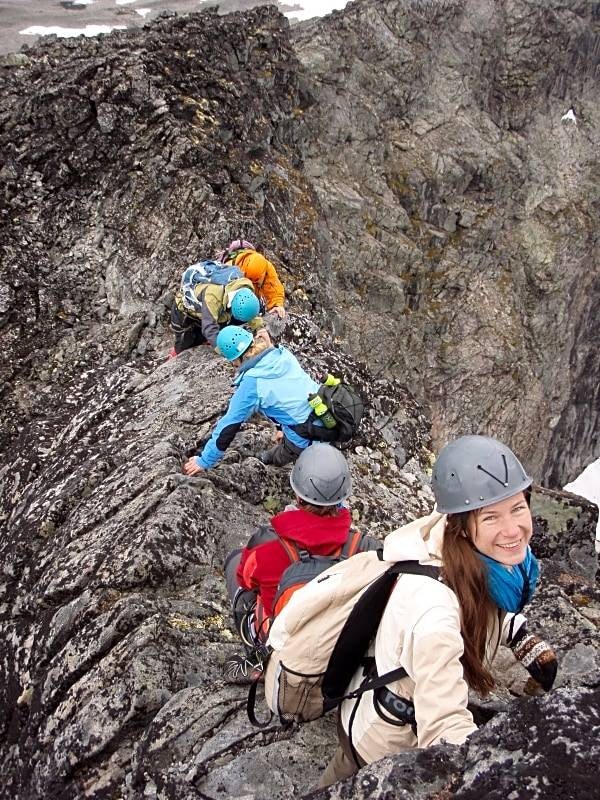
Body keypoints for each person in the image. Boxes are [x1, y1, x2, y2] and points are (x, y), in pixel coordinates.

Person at [319, 434, 558, 787]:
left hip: (380, 703)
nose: (513, 530)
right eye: (491, 517)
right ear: (462, 527)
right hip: (381, 742)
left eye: (518, 508)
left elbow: (479, 601)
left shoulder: (462, 551)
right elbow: (444, 728)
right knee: (341, 781)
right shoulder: (433, 613)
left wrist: (517, 632)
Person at [223, 445, 377, 666]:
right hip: (338, 649)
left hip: (284, 650)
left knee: (235, 563)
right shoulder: (365, 548)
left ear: (298, 494)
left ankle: (256, 653)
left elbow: (245, 579)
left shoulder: (266, 543)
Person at [182, 326, 321, 473]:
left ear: (234, 358)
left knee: (282, 455)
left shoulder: (252, 383)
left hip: (306, 433)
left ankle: (269, 458)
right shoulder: (281, 353)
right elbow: (288, 393)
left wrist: (204, 461)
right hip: (325, 411)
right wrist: (282, 428)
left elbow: (229, 425)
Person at [170, 277, 262, 355]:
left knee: (202, 338)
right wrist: (224, 352)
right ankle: (174, 354)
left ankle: (205, 339)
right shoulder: (213, 298)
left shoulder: (243, 288)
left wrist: (260, 328)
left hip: (209, 311)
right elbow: (209, 327)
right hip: (184, 313)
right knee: (185, 344)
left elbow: (249, 308)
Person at [218, 239, 286, 319]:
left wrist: (277, 305)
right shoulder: (232, 270)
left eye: (257, 280)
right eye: (252, 280)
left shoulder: (266, 267)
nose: (255, 283)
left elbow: (274, 288)